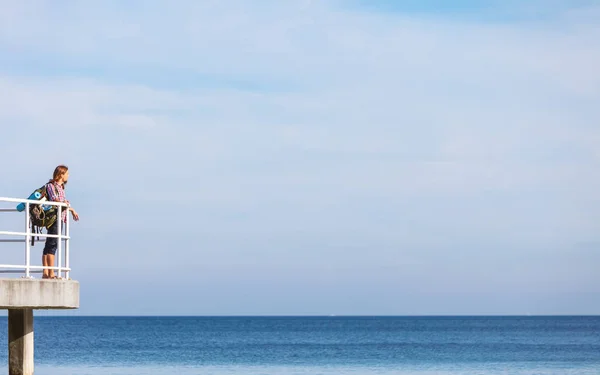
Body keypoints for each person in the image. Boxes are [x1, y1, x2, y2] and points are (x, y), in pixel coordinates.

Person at [42, 165, 80, 279]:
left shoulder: (61, 187)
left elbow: (61, 202)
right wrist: (68, 206)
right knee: (52, 245)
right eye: (67, 173)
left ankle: (47, 272)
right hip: (54, 218)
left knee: (51, 244)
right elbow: (55, 200)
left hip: (60, 217)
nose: (68, 175)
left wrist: (68, 207)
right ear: (61, 174)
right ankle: (50, 272)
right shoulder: (51, 186)